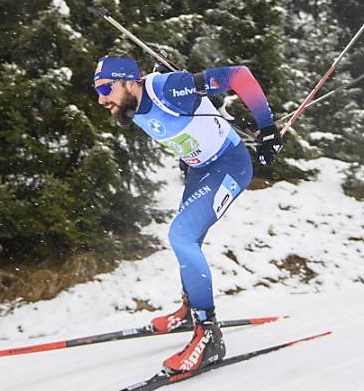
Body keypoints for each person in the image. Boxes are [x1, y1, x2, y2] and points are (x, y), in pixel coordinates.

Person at [92, 55, 283, 374]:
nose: (101, 99)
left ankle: (208, 335)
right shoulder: (132, 101)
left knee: (181, 236)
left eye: (105, 89)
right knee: (186, 239)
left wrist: (268, 128)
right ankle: (189, 307)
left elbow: (239, 76)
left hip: (229, 166)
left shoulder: (170, 89)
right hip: (199, 171)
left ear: (128, 82)